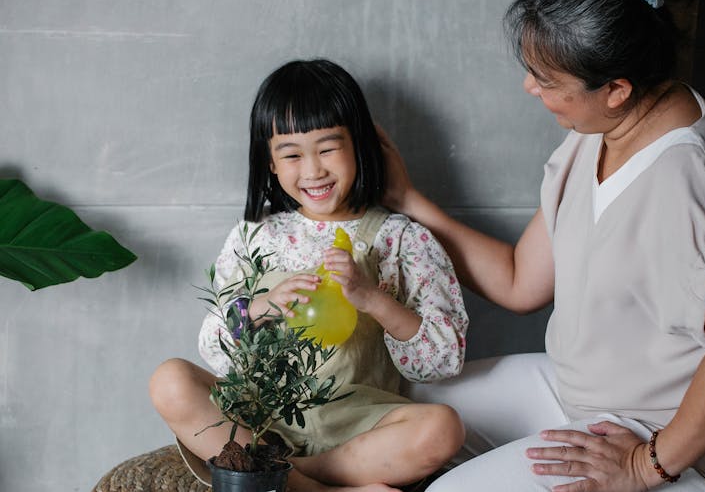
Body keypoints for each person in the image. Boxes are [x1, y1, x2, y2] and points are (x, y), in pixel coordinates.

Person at [381, 0, 705, 490]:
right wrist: (406, 200)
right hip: (577, 391)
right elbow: (520, 282)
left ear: (616, 89)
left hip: (668, 436)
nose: (530, 88)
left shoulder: (688, 177)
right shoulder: (598, 130)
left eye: (546, 79)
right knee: (391, 406)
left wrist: (646, 465)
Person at [149, 59, 468, 492]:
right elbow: (215, 348)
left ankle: (289, 479)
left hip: (357, 426)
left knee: (443, 429)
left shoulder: (401, 239)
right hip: (259, 420)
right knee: (169, 380)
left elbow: (440, 362)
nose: (314, 170)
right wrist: (263, 306)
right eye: (293, 154)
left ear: (360, 145)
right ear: (271, 162)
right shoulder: (256, 237)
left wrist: (372, 298)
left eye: (328, 148)